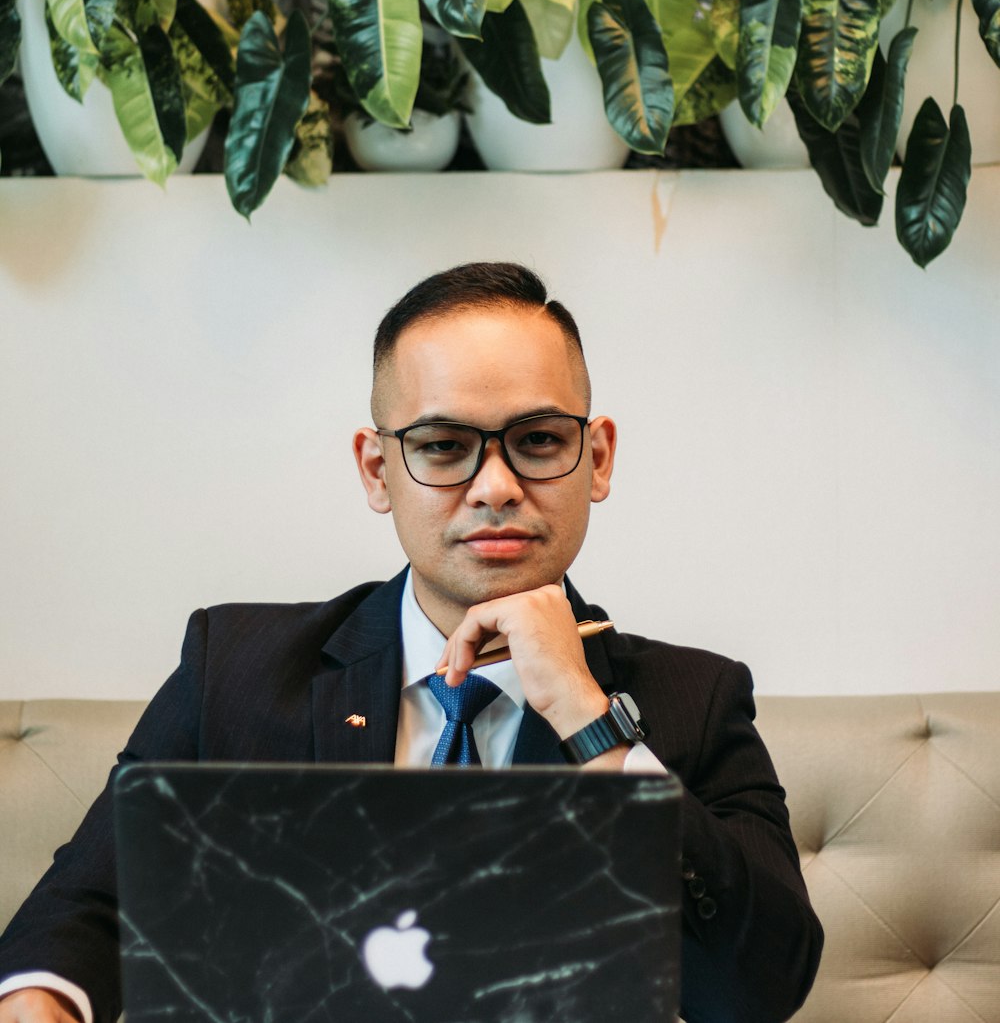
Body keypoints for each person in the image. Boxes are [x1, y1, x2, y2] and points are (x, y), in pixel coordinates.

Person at [0, 261, 823, 1023]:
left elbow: (762, 983)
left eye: (538, 441)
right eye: (442, 448)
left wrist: (587, 717)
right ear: (376, 470)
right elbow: (87, 907)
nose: (496, 488)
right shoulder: (235, 669)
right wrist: (42, 1003)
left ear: (596, 457)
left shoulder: (694, 701)